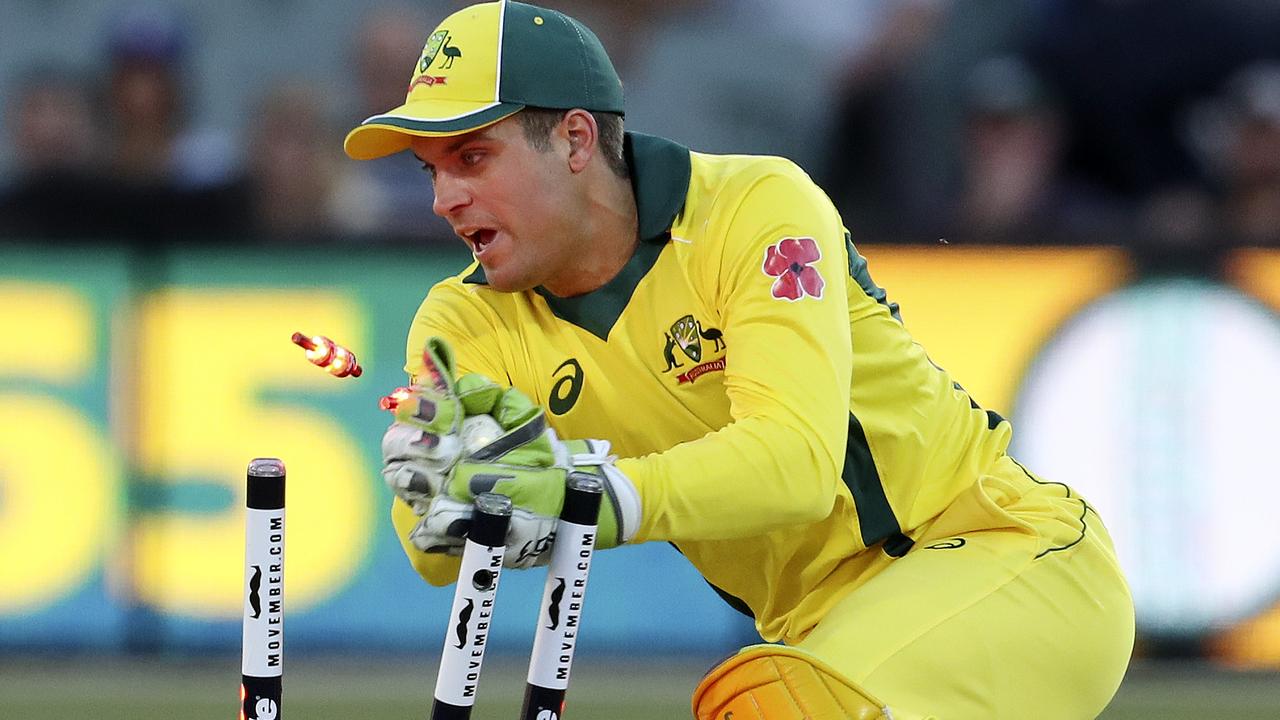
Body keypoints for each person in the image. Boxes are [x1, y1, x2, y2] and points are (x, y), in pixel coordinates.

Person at [348, 2, 1135, 718]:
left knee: (769, 707)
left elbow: (795, 462)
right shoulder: (464, 318)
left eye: (473, 158)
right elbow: (431, 553)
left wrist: (582, 494)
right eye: (433, 170)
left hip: (1006, 561)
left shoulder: (754, 206)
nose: (443, 198)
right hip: (824, 636)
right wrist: (447, 496)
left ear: (576, 139)